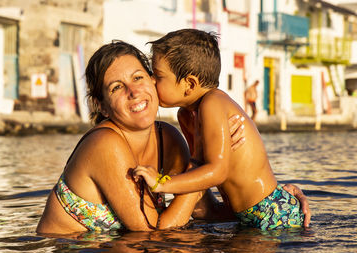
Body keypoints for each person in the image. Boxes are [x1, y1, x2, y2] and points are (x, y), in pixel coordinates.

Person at [36, 40, 251, 234]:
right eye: (117, 87)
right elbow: (149, 231)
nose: (134, 91)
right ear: (101, 106)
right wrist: (201, 160)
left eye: (138, 78)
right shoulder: (104, 144)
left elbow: (205, 210)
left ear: (152, 81)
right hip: (70, 248)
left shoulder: (168, 139)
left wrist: (274, 204)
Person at [133, 29, 310, 230]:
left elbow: (216, 171)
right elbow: (197, 167)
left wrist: (162, 183)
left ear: (189, 84)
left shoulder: (213, 104)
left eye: (158, 75)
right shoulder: (185, 115)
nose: (151, 81)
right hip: (245, 215)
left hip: (272, 212)